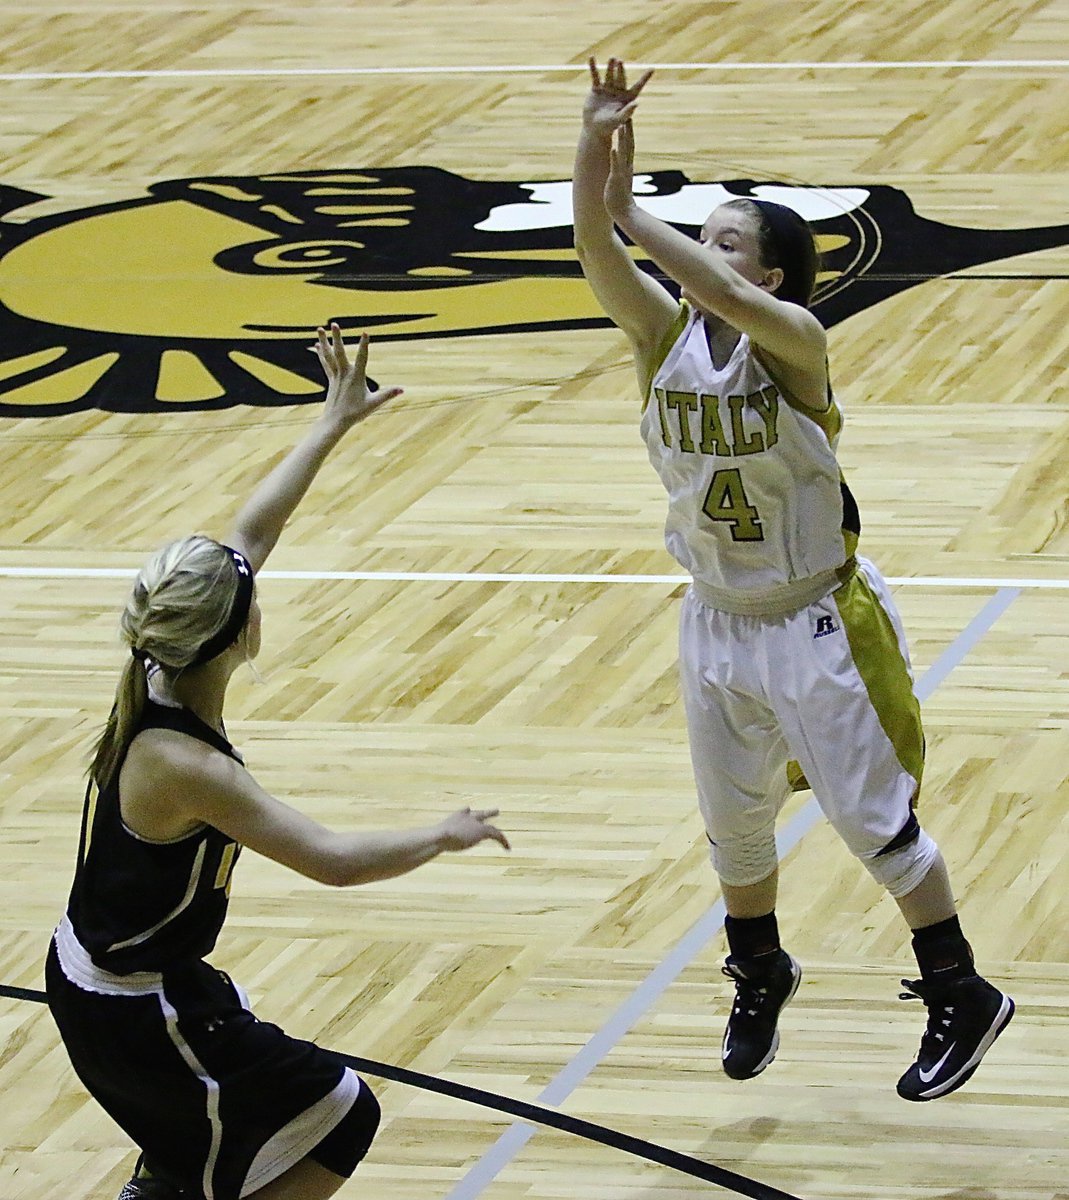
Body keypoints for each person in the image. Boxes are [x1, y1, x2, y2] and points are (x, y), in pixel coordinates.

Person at [572, 57, 1014, 1101]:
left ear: (770, 275)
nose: (710, 253)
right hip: (715, 618)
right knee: (731, 825)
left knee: (874, 827)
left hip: (814, 620)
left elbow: (698, 277)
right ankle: (759, 970)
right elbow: (595, 246)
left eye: (729, 238)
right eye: (705, 232)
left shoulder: (797, 342)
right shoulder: (661, 338)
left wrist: (631, 201)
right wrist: (595, 144)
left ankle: (962, 990)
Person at [45, 324, 511, 1200]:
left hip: (128, 978)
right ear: (242, 632)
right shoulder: (187, 767)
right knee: (338, 1111)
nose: (256, 575)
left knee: (201, 1155)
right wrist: (439, 835)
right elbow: (330, 862)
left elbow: (252, 532)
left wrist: (332, 423)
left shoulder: (163, 668)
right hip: (131, 1006)